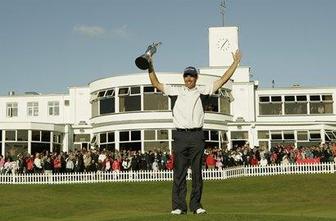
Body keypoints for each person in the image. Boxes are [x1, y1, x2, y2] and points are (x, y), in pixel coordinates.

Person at [147, 50, 241, 215]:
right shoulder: (175, 91)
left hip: (197, 135)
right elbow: (155, 82)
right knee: (179, 173)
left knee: (197, 173)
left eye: (191, 76)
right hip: (180, 135)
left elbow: (223, 79)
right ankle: (178, 206)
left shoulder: (203, 90)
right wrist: (149, 63)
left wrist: (235, 63)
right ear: (183, 78)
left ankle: (196, 205)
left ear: (196, 78)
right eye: (186, 76)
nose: (188, 78)